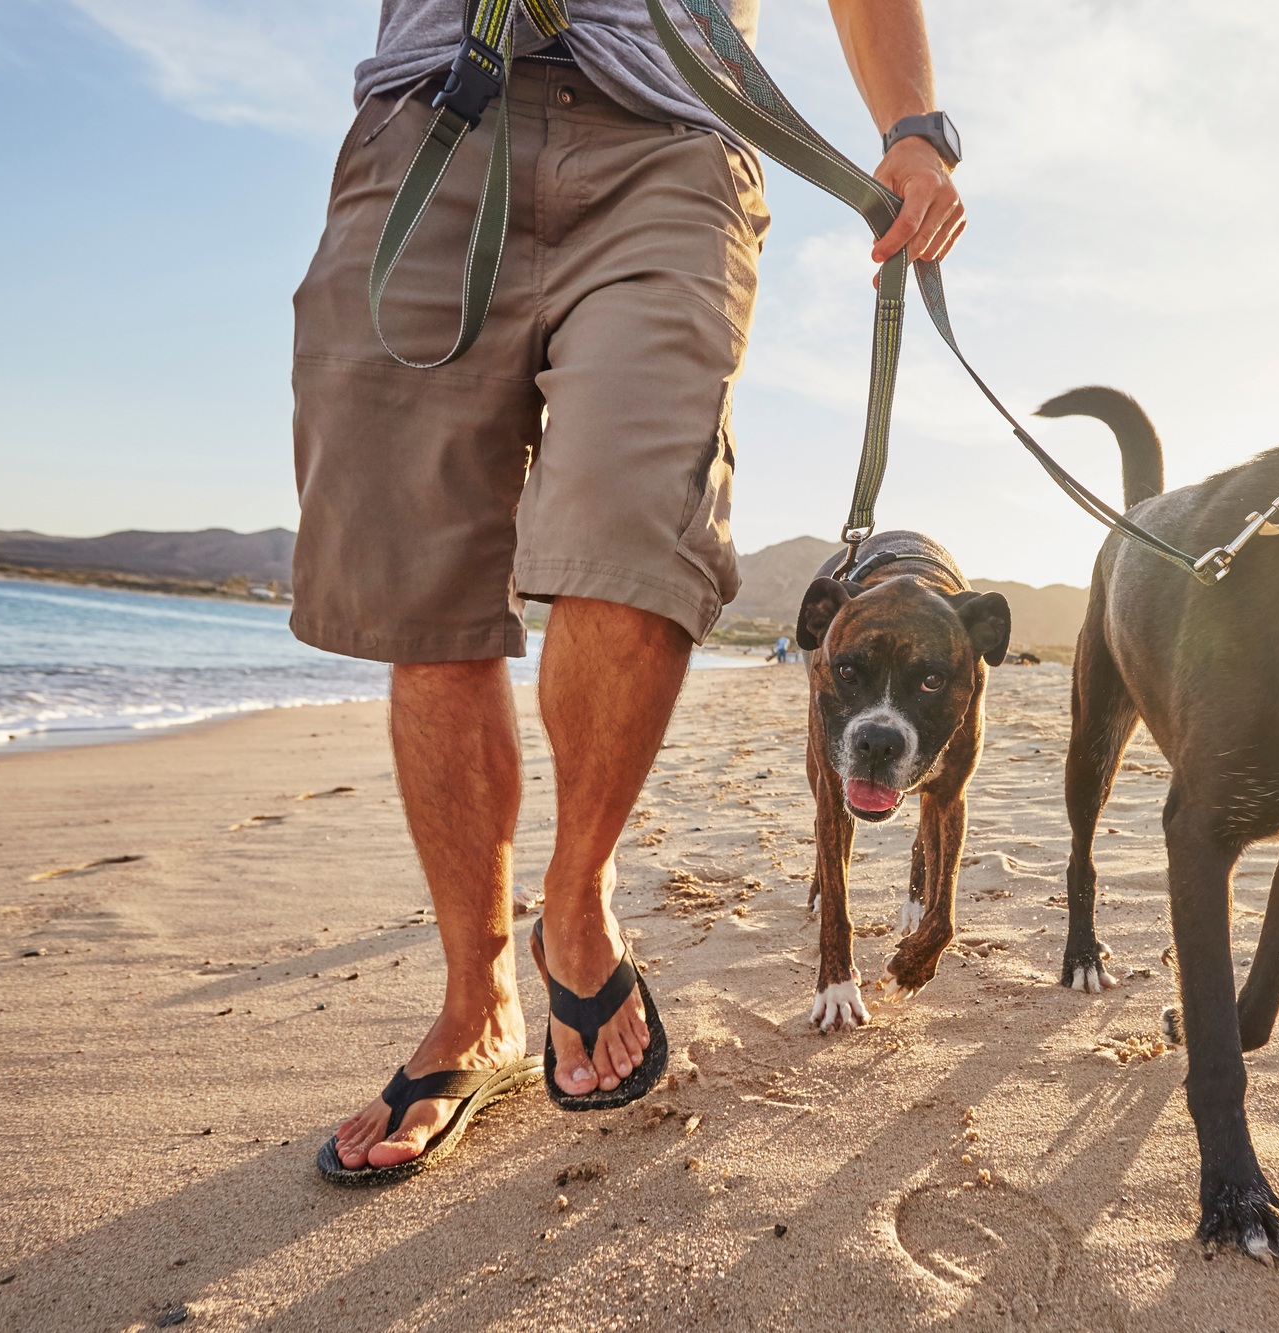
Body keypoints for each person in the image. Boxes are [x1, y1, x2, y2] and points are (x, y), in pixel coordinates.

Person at [295, 0, 965, 1176]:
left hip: (674, 131)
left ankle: (577, 895)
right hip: (434, 113)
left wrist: (913, 125)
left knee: (638, 528)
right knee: (425, 592)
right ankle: (476, 1004)